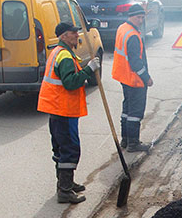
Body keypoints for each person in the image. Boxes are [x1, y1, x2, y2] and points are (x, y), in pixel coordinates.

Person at [36, 21, 99, 204]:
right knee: (69, 150)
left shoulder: (59, 52)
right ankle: (64, 191)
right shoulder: (64, 56)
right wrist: (89, 69)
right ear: (63, 36)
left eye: (77, 32)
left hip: (57, 110)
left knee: (61, 149)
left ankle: (66, 183)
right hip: (63, 110)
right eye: (73, 33)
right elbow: (70, 83)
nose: (77, 35)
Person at [112, 12, 155, 152]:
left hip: (124, 77)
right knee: (135, 113)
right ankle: (133, 143)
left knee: (127, 110)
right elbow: (136, 63)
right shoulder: (133, 36)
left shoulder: (122, 28)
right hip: (134, 80)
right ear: (130, 16)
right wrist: (146, 78)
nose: (141, 20)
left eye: (142, 17)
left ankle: (125, 140)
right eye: (138, 17)